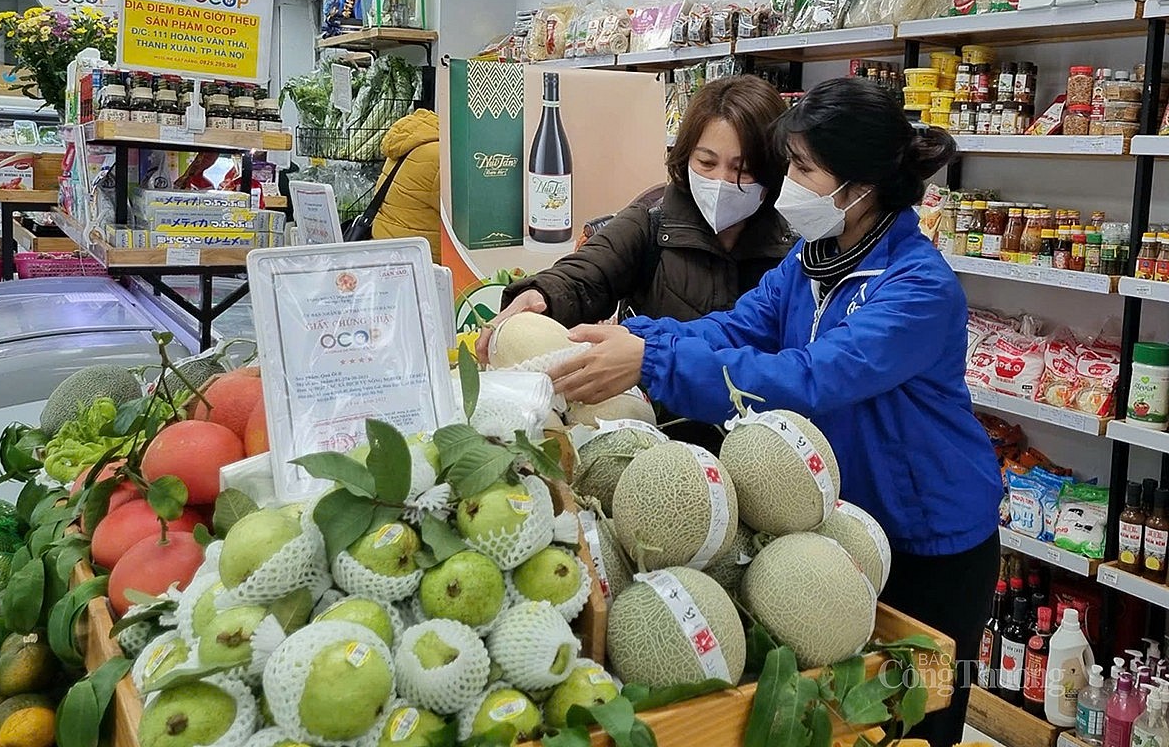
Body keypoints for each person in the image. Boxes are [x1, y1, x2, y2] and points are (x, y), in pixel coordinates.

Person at [546, 77, 1002, 747]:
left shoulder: (918, 288)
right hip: (842, 526)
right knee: (847, 723)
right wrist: (637, 338)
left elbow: (810, 380)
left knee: (920, 720)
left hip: (932, 544)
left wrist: (653, 363)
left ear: (863, 185)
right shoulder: (811, 260)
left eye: (803, 169)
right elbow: (736, 328)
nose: (786, 184)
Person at [476, 75, 793, 447]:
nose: (722, 182)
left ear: (773, 169)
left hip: (763, 442)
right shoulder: (653, 220)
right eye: (706, 162)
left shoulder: (794, 249)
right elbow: (589, 271)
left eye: (742, 169)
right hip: (656, 438)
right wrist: (543, 293)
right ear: (686, 155)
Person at [370, 108, 441, 259]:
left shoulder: (408, 145)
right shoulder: (438, 155)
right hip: (421, 259)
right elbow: (460, 216)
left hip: (389, 249)